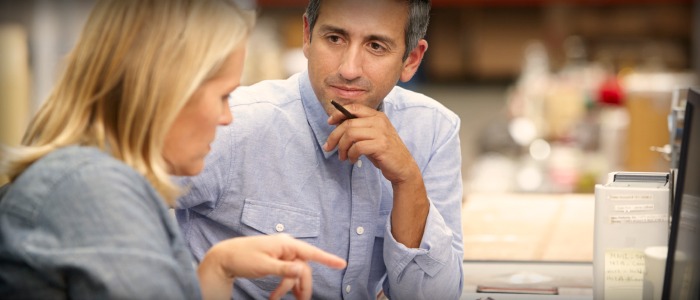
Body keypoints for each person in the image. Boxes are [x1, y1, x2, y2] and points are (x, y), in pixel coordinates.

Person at [0, 0, 346, 299]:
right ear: (168, 91)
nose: (227, 117)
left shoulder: (93, 180)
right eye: (224, 95)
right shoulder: (94, 189)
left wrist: (216, 270)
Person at [176, 0, 464, 298]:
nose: (349, 69)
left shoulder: (432, 130)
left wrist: (408, 182)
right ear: (307, 36)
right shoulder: (232, 123)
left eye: (376, 46)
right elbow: (126, 203)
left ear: (411, 60)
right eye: (334, 39)